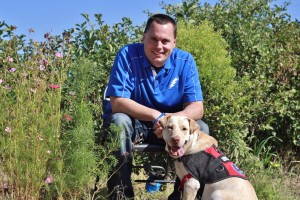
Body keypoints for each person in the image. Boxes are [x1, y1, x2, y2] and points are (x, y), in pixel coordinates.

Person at [103, 13, 209, 200]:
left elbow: (197, 107)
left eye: (165, 41)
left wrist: (170, 121)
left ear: (174, 42)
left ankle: (183, 196)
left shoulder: (185, 61)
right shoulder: (127, 55)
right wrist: (156, 116)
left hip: (170, 126)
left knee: (201, 128)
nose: (159, 46)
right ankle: (121, 196)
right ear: (143, 37)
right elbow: (117, 101)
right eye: (153, 39)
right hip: (135, 124)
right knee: (118, 121)